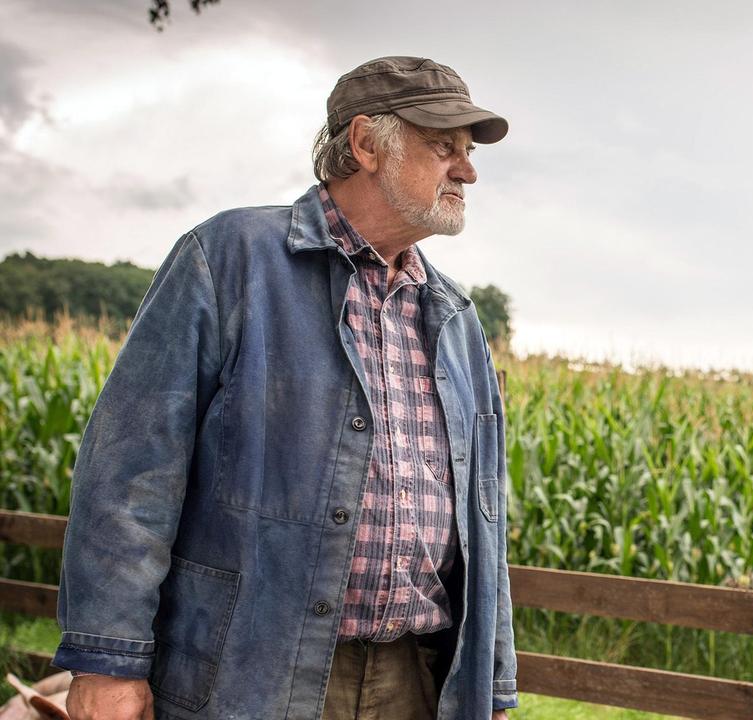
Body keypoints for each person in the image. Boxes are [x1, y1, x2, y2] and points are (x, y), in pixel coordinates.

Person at [53, 56, 517, 720]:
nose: (467, 170)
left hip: (415, 679)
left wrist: (492, 685)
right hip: (250, 674)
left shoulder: (456, 318)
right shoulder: (230, 258)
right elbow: (130, 475)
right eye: (445, 147)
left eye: (468, 153)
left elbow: (484, 528)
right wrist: (107, 660)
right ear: (364, 145)